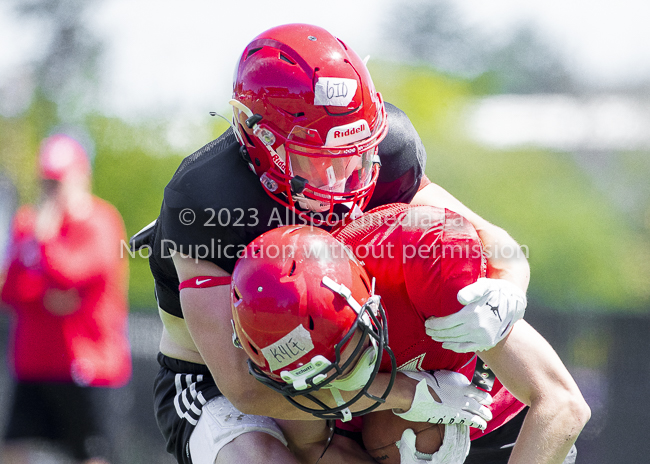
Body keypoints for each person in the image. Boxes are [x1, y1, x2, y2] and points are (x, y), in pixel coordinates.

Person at [132, 23, 530, 464]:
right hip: (223, 375)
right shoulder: (206, 199)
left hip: (349, 353)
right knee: (258, 458)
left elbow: (491, 240)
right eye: (313, 157)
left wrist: (511, 285)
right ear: (255, 136)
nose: (340, 181)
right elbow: (245, 388)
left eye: (353, 154)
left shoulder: (388, 151)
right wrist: (407, 392)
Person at [230, 204, 591, 464]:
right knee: (387, 437)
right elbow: (315, 448)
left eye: (342, 356)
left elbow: (562, 405)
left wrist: (511, 279)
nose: (336, 378)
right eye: (315, 377)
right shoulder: (282, 355)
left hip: (506, 431)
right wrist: (399, 395)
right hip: (381, 439)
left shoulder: (425, 258)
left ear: (361, 299)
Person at [0, 133, 132, 464]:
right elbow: (11, 290)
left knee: (90, 454)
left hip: (87, 364)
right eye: (46, 181)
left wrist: (44, 242)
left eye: (58, 181)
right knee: (15, 447)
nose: (51, 191)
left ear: (80, 177)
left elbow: (70, 273)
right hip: (35, 362)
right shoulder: (27, 223)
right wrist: (48, 294)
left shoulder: (100, 220)